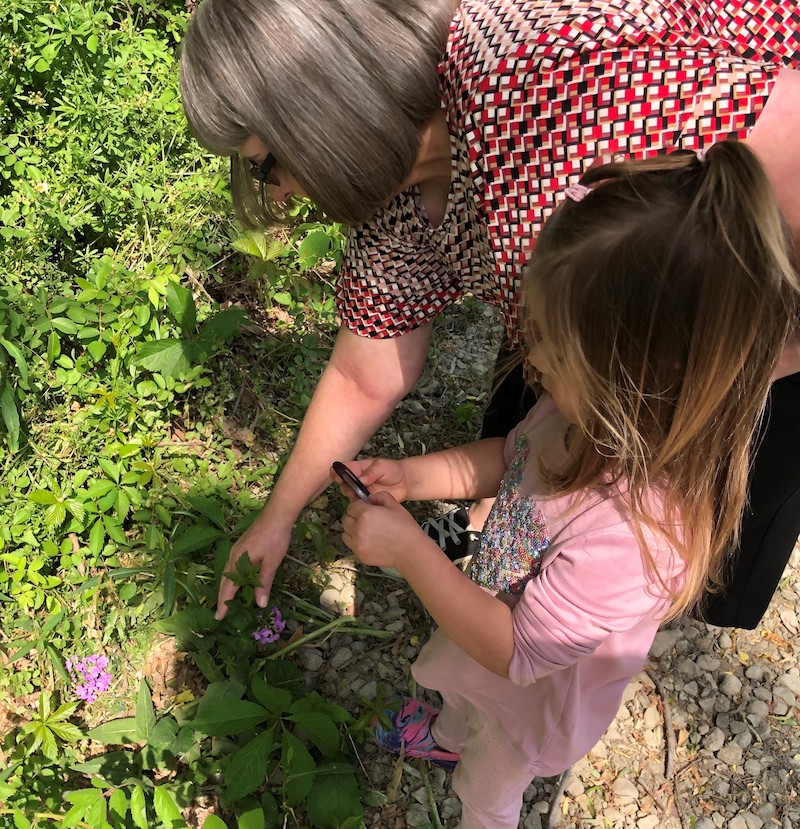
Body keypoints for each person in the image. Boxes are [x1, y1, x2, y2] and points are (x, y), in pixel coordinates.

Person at [179, 0, 800, 629]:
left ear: (322, 105)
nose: (277, 192)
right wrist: (276, 516)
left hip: (746, 342)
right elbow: (364, 373)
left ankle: (606, 616)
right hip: (590, 348)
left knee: (685, 530)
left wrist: (738, 373)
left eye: (266, 164)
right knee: (535, 443)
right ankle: (504, 548)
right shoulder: (399, 200)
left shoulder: (538, 71)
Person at [334, 144, 800, 829]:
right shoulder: (580, 408)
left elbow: (518, 650)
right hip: (486, 617)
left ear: (639, 377)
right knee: (458, 690)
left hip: (530, 696)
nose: (532, 354)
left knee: (486, 788)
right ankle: (446, 731)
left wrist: (410, 552)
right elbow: (509, 454)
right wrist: (414, 476)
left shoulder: (632, 530)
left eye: (552, 339)